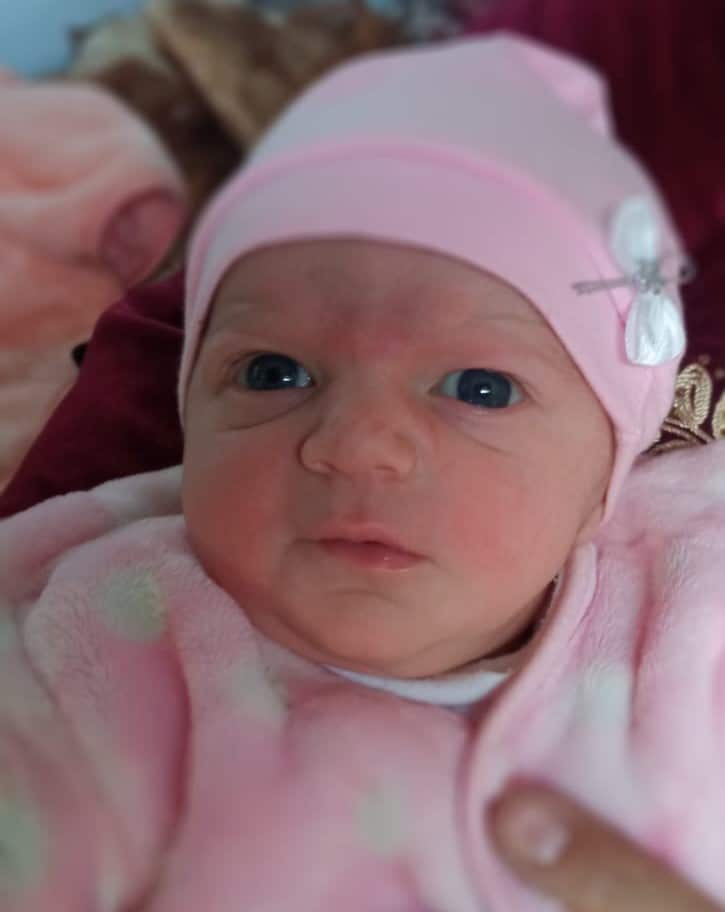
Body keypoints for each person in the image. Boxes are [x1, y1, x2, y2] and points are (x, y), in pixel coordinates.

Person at [1, 32, 724, 912]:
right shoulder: (118, 655)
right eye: (274, 374)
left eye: (480, 388)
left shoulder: (688, 627)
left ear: (606, 473)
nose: (356, 445)